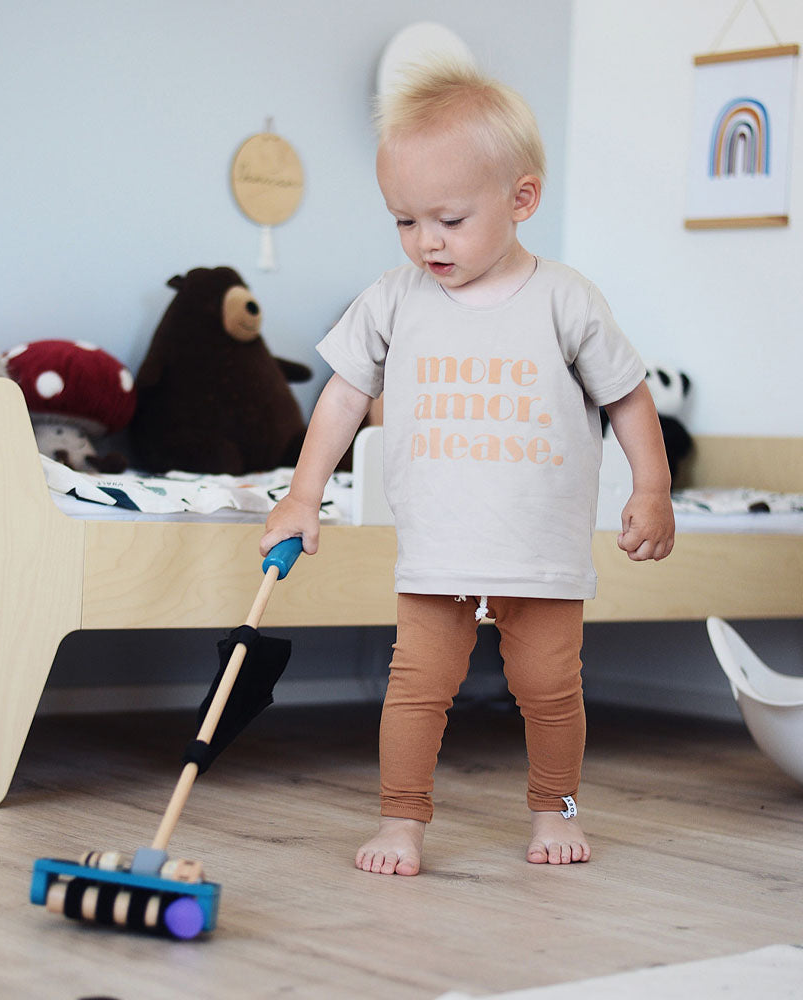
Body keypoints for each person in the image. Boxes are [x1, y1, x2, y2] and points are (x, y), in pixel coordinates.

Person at [259, 61, 674, 874]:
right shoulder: (393, 297)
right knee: (415, 690)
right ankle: (400, 820)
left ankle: (554, 810)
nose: (426, 243)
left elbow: (628, 398)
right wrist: (302, 495)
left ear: (522, 200)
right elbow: (343, 399)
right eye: (405, 222)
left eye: (448, 219)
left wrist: (652, 489)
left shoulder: (566, 300)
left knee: (550, 692)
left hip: (542, 552)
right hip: (438, 549)